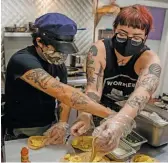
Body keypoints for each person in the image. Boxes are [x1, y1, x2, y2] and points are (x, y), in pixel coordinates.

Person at [4, 13, 113, 143]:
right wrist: (112, 116)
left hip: (49, 123)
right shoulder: (22, 60)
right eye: (58, 50)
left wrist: (62, 123)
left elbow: (63, 99)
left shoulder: (58, 64)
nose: (62, 56)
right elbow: (63, 93)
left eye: (65, 51)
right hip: (22, 130)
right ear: (39, 42)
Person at [71, 5, 161, 152]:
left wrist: (119, 122)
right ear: (114, 30)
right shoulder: (99, 50)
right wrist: (86, 114)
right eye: (122, 34)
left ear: (145, 37)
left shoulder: (150, 60)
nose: (128, 41)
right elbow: (93, 89)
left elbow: (140, 95)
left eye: (136, 37)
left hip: (127, 116)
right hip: (98, 111)